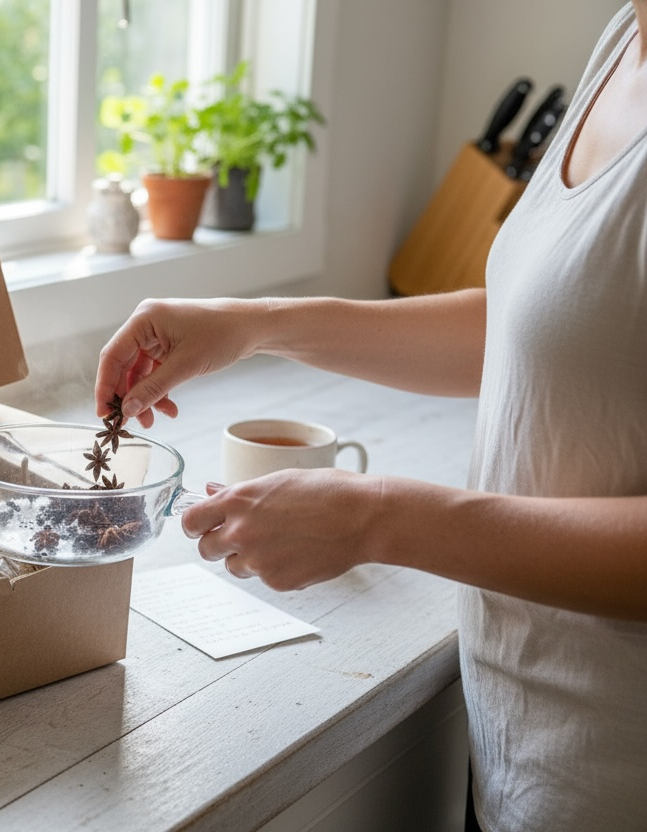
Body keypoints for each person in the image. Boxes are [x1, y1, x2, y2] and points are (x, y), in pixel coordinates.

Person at [94, 3, 647, 830]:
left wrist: (382, 519)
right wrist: (254, 324)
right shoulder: (626, 36)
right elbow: (542, 324)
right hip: (528, 748)